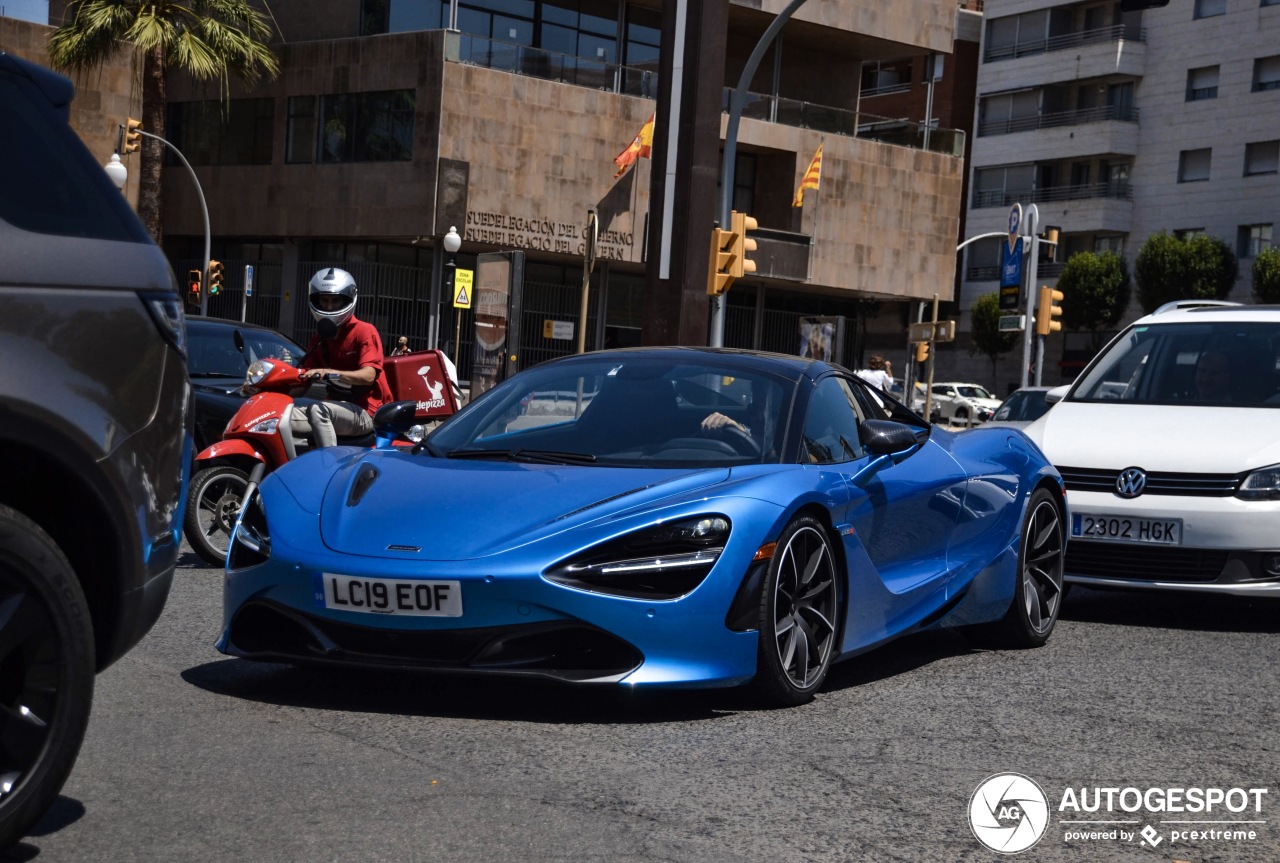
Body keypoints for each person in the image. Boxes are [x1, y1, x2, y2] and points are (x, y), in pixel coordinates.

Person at [291, 267, 394, 447]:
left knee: (318, 409)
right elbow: (302, 385)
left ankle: (330, 467)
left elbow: (369, 376)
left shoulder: (364, 331)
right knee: (278, 413)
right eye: (324, 300)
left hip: (367, 411)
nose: (329, 307)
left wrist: (330, 372)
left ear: (347, 300)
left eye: (335, 301)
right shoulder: (320, 338)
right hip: (336, 408)